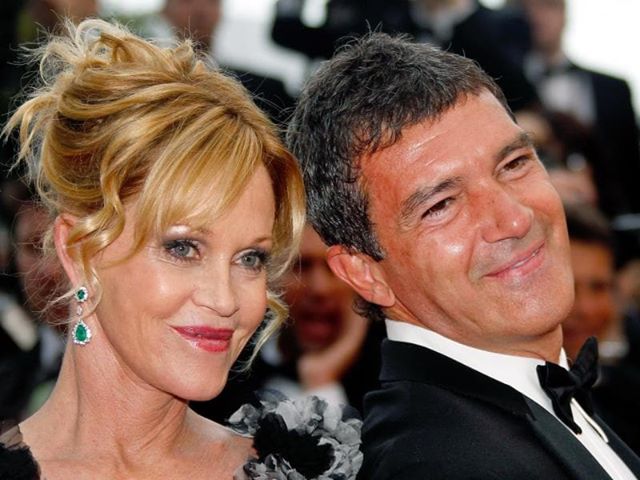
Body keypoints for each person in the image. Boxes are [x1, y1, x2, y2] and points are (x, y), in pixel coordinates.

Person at [0, 18, 363, 480]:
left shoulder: (303, 469)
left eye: (250, 259)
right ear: (78, 250)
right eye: (183, 248)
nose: (226, 299)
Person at [287, 33, 640, 479]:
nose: (514, 219)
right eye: (441, 205)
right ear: (364, 272)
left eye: (514, 164)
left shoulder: (533, 402)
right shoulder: (436, 466)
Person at [193, 225, 383, 422]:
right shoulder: (226, 369)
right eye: (301, 266)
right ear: (270, 278)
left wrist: (320, 380)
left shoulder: (388, 375)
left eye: (336, 269)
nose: (319, 288)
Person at [521, 0, 640, 217]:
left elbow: (630, 161)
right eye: (526, 8)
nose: (536, 16)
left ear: (565, 14)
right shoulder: (503, 89)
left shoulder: (613, 88)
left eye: (548, 6)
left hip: (614, 216)